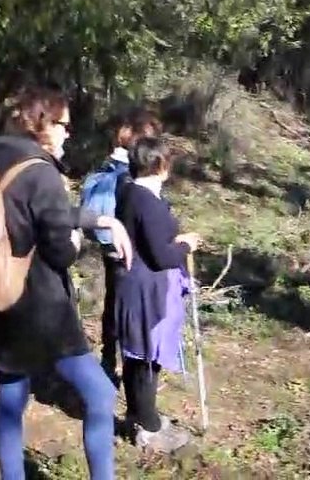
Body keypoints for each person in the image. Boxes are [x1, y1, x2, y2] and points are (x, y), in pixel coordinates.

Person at [0, 85, 133, 480]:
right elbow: (60, 248)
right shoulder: (42, 171)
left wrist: (100, 219)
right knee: (100, 393)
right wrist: (75, 242)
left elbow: (37, 214)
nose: (68, 132)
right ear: (41, 124)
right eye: (63, 124)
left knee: (11, 395)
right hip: (42, 308)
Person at [113, 136, 198, 452]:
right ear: (160, 164)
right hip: (147, 289)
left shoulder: (129, 192)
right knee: (147, 357)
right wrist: (186, 245)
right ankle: (149, 429)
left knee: (137, 356)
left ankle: (139, 416)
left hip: (136, 284)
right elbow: (161, 256)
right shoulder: (146, 201)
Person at [80, 107, 162, 386]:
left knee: (112, 303)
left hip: (110, 249)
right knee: (130, 312)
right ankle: (133, 372)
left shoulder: (109, 165)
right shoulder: (133, 175)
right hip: (130, 251)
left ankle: (107, 360)